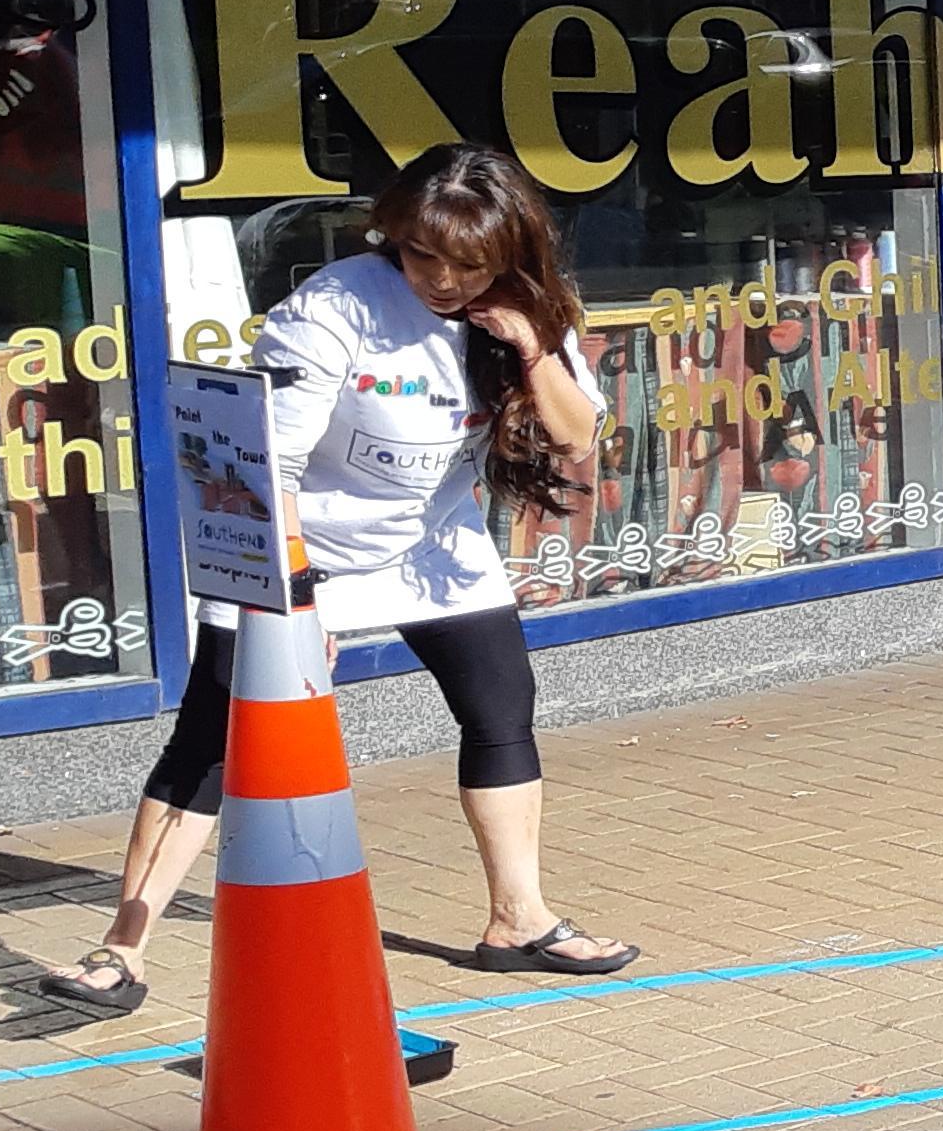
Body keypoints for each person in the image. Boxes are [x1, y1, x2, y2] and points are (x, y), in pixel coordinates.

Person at [35, 146, 628, 1015]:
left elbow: (576, 440)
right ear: (394, 233)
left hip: (432, 546)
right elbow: (262, 468)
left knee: (502, 711)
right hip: (296, 541)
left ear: (508, 250)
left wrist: (535, 347)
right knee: (213, 738)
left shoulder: (526, 307)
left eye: (470, 263)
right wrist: (297, 598)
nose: (445, 279)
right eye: (424, 254)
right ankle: (119, 949)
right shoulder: (334, 308)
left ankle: (518, 919)